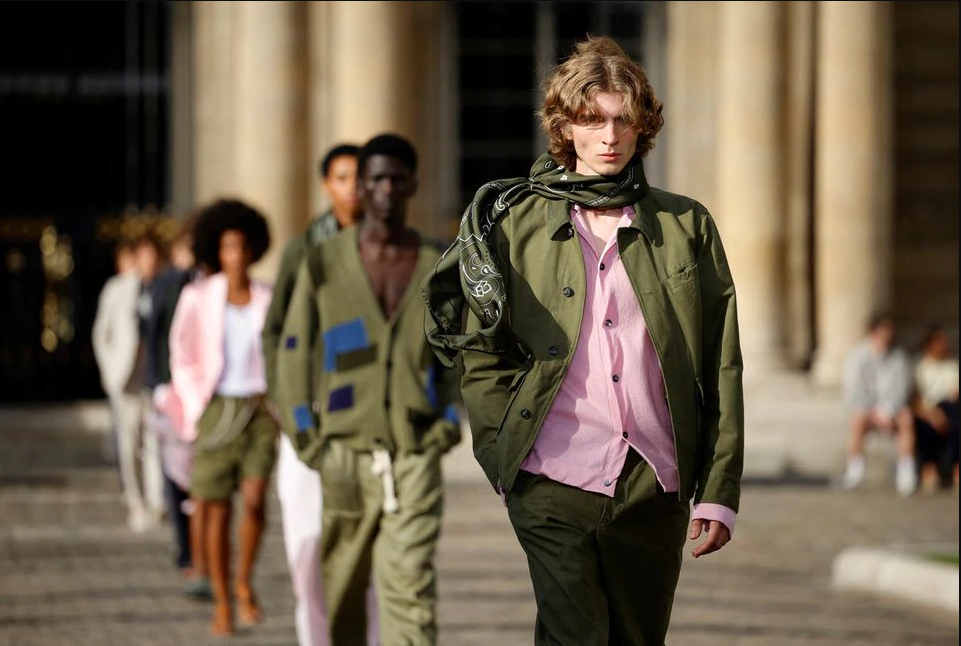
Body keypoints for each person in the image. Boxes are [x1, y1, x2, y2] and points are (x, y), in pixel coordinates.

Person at [423, 36, 743, 646]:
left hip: (655, 481)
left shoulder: (686, 224)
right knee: (577, 635)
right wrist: (502, 454)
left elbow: (721, 361)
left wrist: (718, 491)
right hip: (550, 474)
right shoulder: (515, 222)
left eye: (623, 119)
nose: (608, 136)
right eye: (592, 118)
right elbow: (483, 349)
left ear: (643, 125)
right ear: (565, 124)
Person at [277, 133, 462, 646]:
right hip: (343, 453)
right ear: (360, 186)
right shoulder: (323, 262)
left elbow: (457, 354)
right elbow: (293, 350)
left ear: (413, 186)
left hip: (413, 451)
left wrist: (447, 422)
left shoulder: (437, 265)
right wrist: (307, 436)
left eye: (396, 179)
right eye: (375, 179)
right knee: (343, 590)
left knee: (410, 590)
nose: (385, 189)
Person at [262, 143, 380, 646]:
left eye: (361, 177)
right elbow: (275, 334)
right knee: (307, 548)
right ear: (326, 184)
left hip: (372, 420)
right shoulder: (302, 251)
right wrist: (287, 405)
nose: (352, 188)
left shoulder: (392, 248)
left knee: (374, 556)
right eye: (341, 177)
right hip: (309, 418)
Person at [168, 199, 277, 636]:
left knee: (253, 499)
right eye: (228, 246)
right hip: (216, 409)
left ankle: (244, 583)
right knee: (214, 509)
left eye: (243, 246)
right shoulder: (198, 296)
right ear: (218, 249)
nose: (236, 254)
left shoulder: (266, 296)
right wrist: (196, 406)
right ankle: (221, 600)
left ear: (252, 249)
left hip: (258, 410)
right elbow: (182, 351)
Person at [144, 221, 211, 598]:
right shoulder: (171, 283)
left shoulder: (216, 285)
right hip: (172, 391)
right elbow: (154, 334)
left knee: (206, 478)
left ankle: (205, 556)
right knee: (176, 473)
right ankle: (187, 550)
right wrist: (158, 385)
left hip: (208, 395)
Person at [92, 233, 166, 533]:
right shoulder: (118, 289)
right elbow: (102, 332)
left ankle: (156, 501)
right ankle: (135, 499)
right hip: (127, 378)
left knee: (155, 442)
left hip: (157, 376)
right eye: (144, 255)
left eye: (153, 255)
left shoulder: (167, 285)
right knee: (129, 439)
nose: (149, 262)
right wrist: (111, 372)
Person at [839, 313, 916, 496]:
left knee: (906, 419)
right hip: (867, 410)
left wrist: (889, 411)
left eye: (889, 335)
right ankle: (855, 471)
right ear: (872, 334)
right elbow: (854, 389)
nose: (886, 340)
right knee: (857, 420)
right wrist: (873, 412)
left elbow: (902, 388)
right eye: (882, 335)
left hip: (892, 409)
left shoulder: (899, 357)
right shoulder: (856, 357)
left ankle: (906, 472)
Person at [911, 325, 959, 493]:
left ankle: (957, 468)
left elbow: (955, 393)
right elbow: (915, 398)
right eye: (939, 342)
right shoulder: (918, 366)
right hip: (925, 411)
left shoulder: (953, 365)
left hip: (949, 409)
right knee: (924, 427)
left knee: (955, 420)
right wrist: (931, 413)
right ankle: (928, 468)